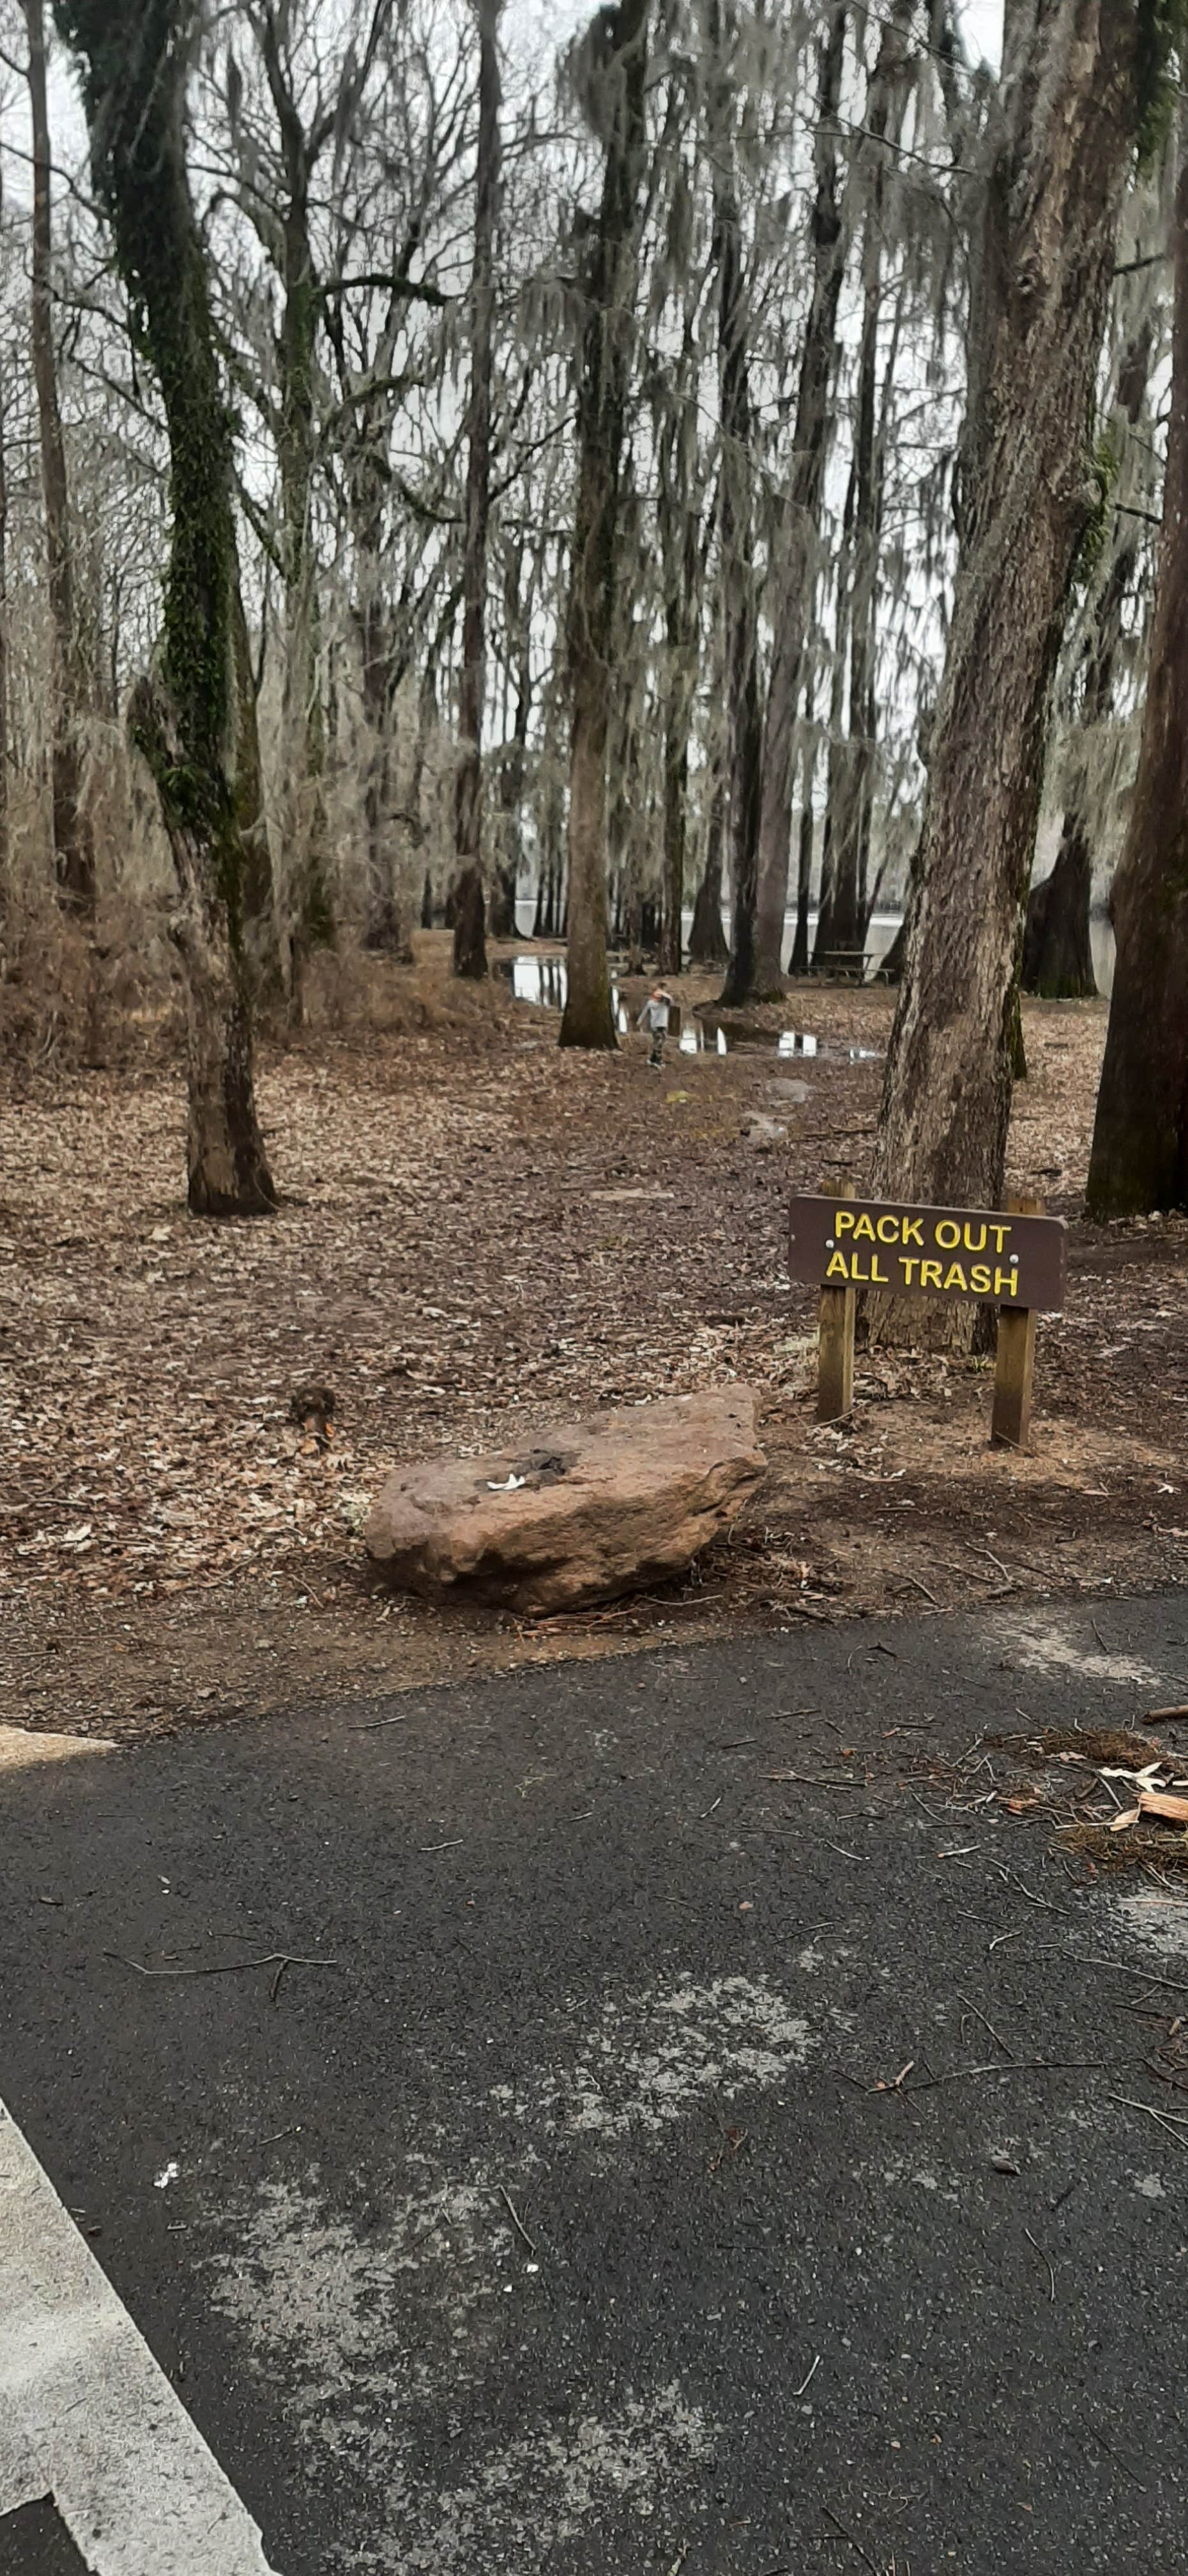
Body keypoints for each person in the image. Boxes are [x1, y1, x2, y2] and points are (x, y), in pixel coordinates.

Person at [637, 984, 674, 1068]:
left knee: (659, 1042)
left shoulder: (666, 1003)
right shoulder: (651, 1003)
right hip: (655, 1026)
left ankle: (652, 1059)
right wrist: (640, 1021)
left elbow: (671, 1000)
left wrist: (663, 994)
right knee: (659, 1042)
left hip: (663, 1025)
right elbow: (645, 1012)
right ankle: (659, 1061)